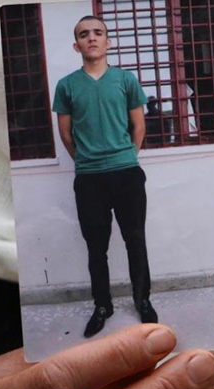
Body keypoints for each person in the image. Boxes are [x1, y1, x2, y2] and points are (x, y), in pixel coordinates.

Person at [52, 16, 158, 338]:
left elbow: (139, 126)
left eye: (98, 33)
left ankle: (142, 300)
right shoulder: (67, 85)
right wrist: (87, 161)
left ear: (108, 42)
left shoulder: (125, 80)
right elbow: (66, 134)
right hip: (90, 180)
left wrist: (126, 156)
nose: (92, 38)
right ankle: (103, 306)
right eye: (84, 34)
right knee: (96, 248)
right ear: (77, 46)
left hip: (126, 174)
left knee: (135, 240)